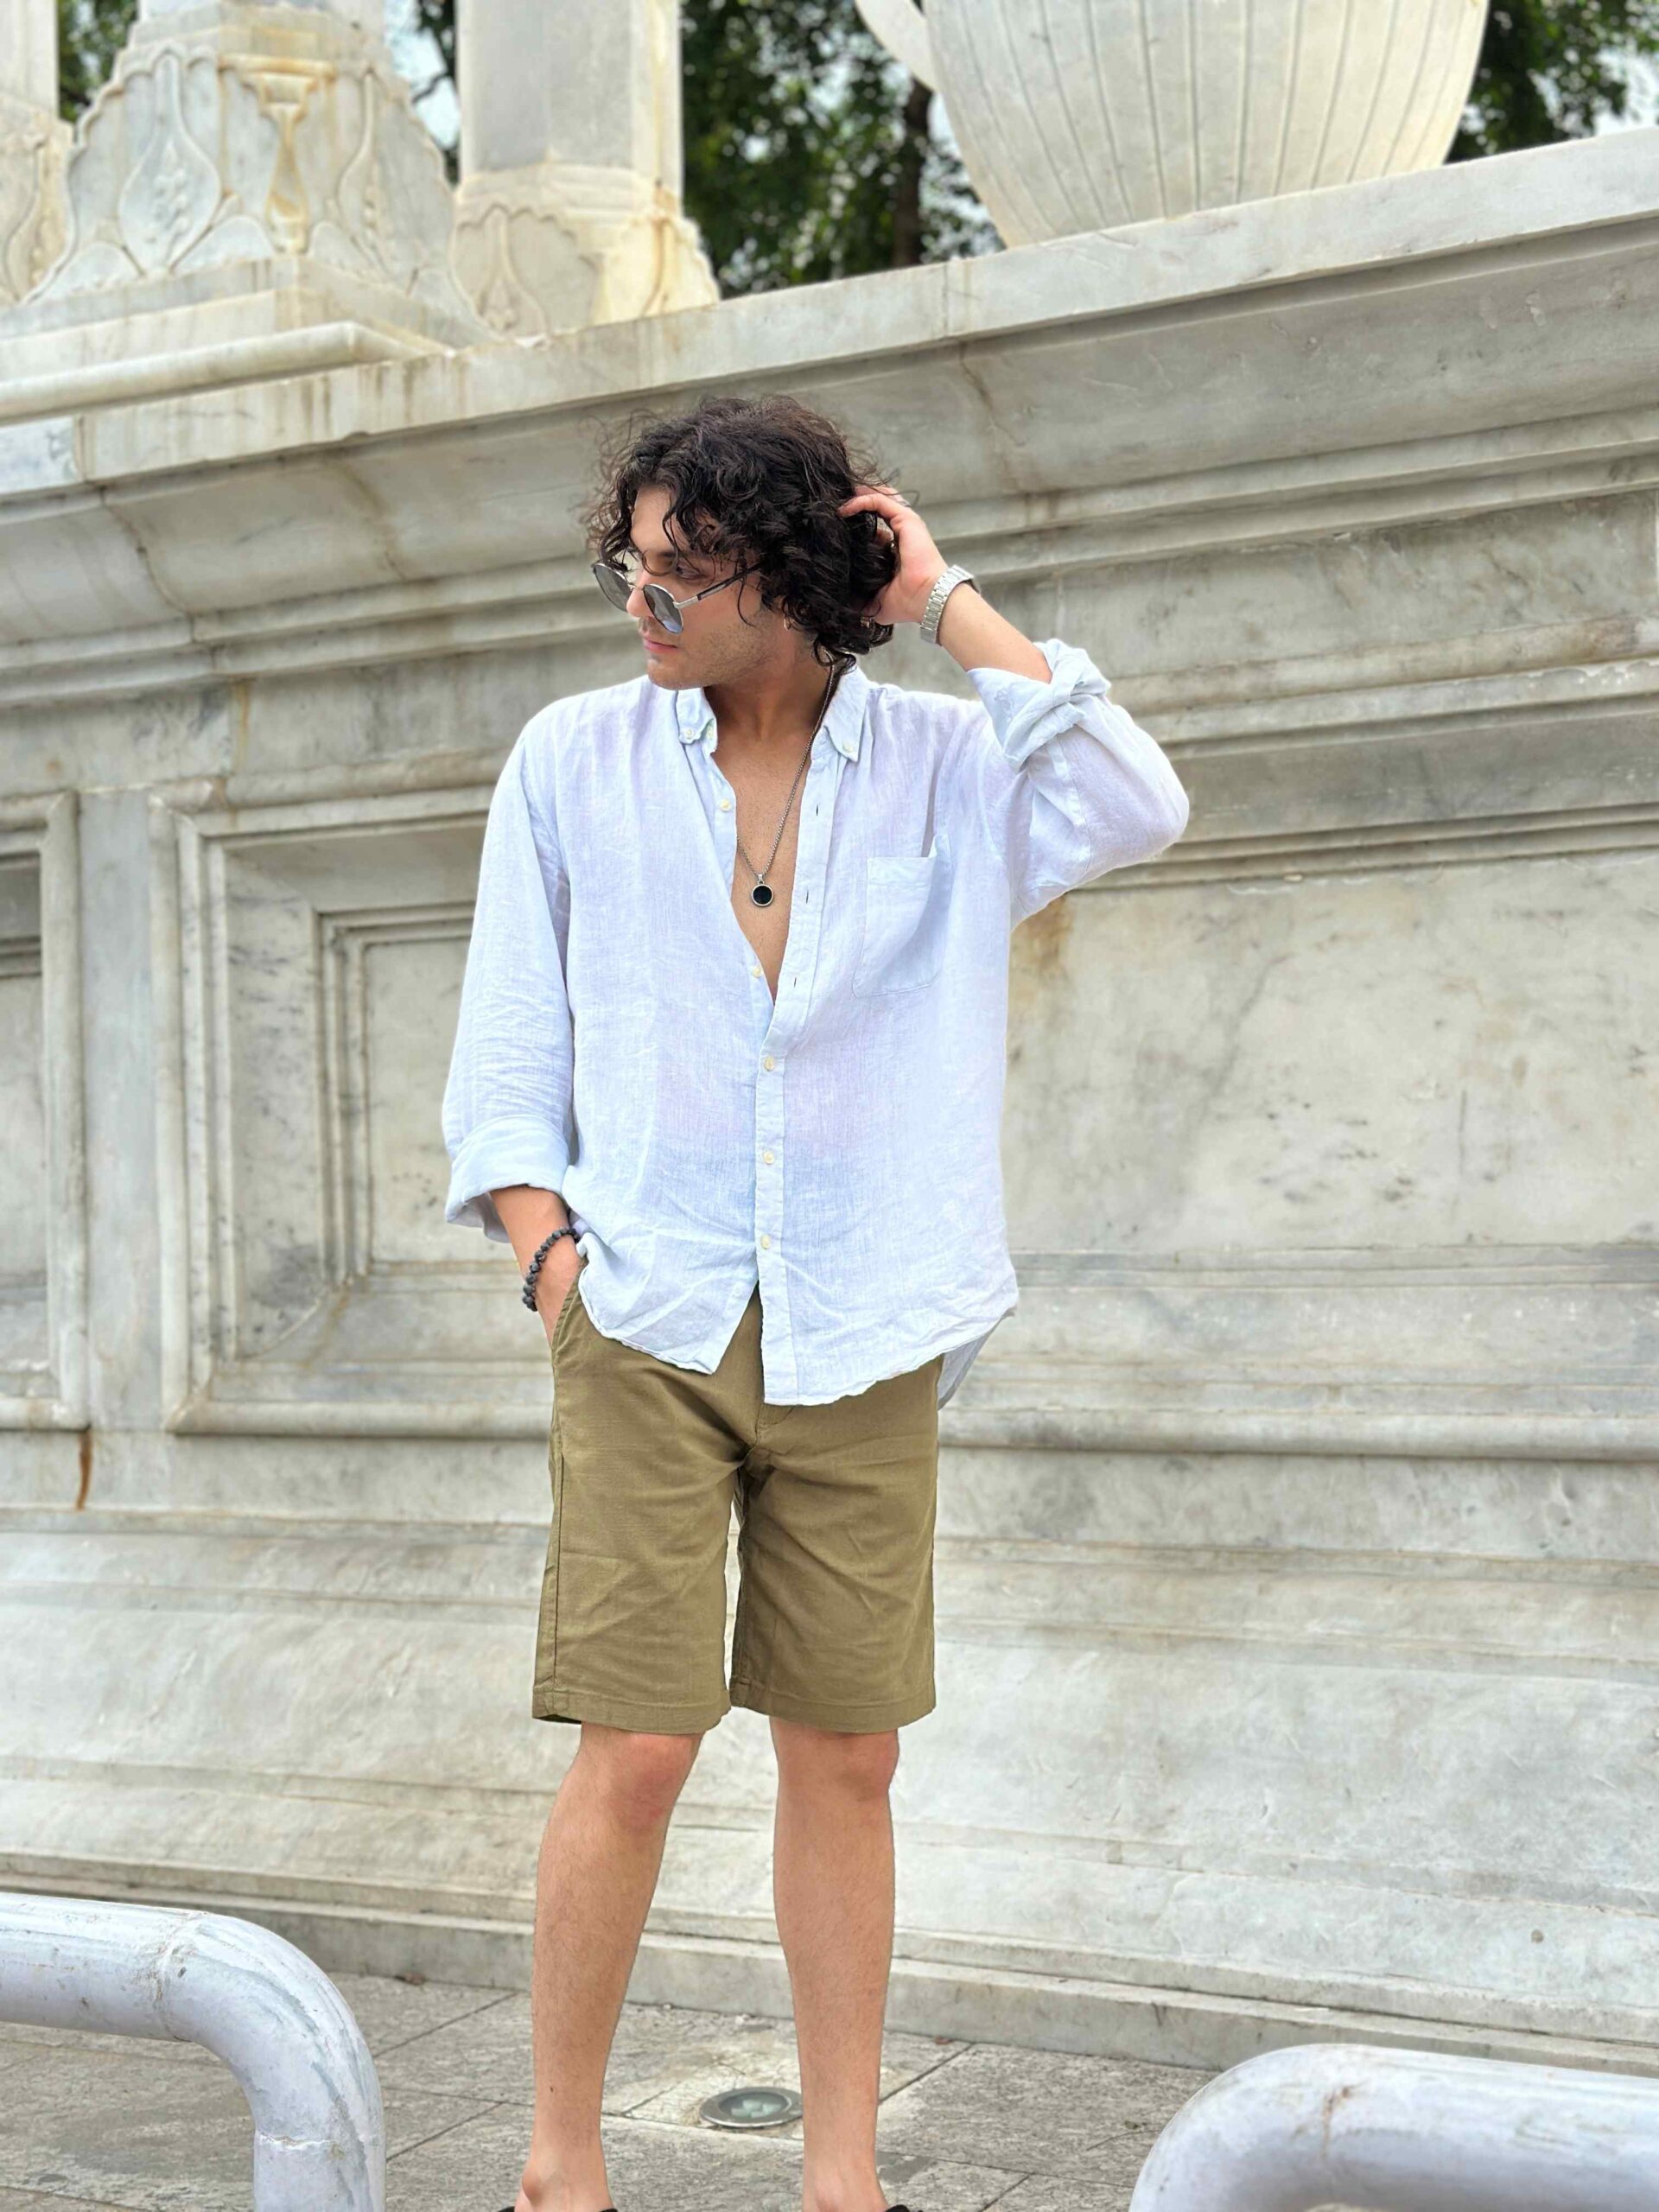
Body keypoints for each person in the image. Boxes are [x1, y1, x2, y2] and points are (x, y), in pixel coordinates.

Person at [441, 391, 1191, 2212]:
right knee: (637, 1744)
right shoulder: (571, 759)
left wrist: (939, 595)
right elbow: (507, 1056)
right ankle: (558, 2162)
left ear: (787, 574)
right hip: (649, 1313)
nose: (642, 602)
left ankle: (841, 2177)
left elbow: (1136, 798)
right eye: (627, 566)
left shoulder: (947, 766)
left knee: (848, 1756)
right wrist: (552, 1263)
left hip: (872, 1314)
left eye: (680, 572)